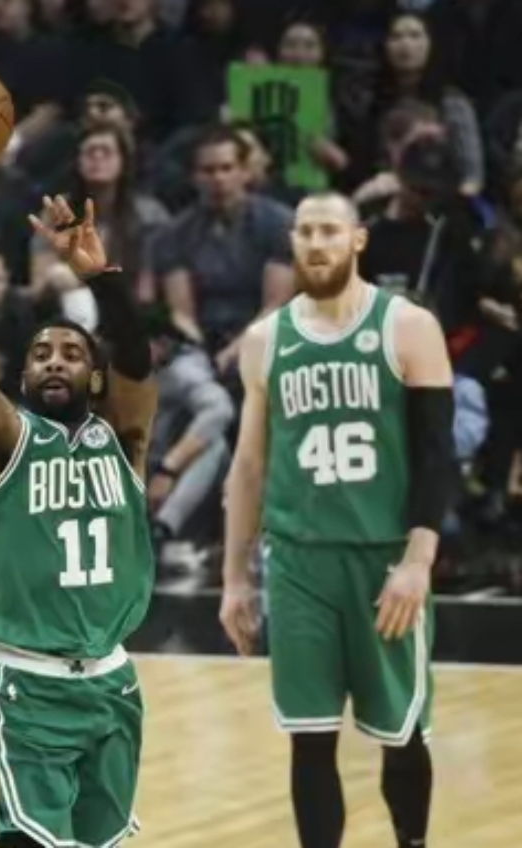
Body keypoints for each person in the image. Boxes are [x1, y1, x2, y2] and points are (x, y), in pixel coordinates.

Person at [0, 166, 158, 847]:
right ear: (22, 377)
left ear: (95, 376)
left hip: (111, 681)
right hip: (28, 685)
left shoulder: (124, 440)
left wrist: (100, 276)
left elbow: (139, 359)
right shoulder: (4, 443)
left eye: (72, 353)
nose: (55, 361)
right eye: (41, 354)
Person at [219, 192, 455, 848]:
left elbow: (437, 456)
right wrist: (235, 579)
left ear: (357, 239)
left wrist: (418, 562)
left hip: (384, 559)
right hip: (299, 563)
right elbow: (248, 465)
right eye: (304, 232)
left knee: (401, 734)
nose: (316, 243)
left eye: (329, 230)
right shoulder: (266, 339)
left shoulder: (408, 327)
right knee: (310, 737)